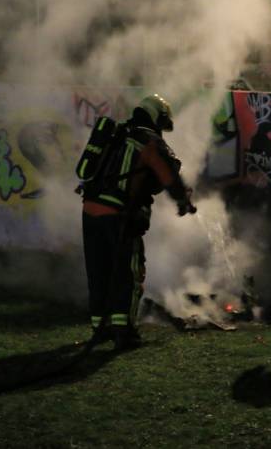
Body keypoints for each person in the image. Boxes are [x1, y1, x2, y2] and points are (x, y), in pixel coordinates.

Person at [80, 94, 196, 350]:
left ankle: (100, 328)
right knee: (127, 272)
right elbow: (168, 177)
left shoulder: (117, 136)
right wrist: (183, 201)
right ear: (156, 118)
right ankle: (124, 332)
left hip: (90, 212)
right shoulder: (149, 142)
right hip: (118, 216)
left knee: (99, 272)